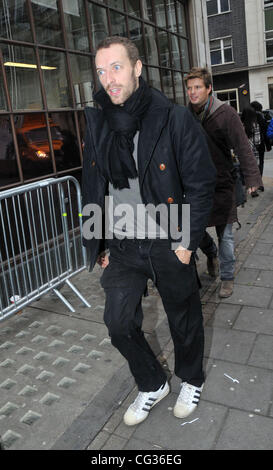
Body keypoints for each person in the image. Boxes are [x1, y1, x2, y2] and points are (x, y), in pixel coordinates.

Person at [82, 36, 217, 426]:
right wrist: (99, 239)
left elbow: (200, 183)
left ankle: (191, 378)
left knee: (183, 317)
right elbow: (95, 185)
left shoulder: (173, 118)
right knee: (118, 323)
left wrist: (188, 243)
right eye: (102, 70)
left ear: (137, 68)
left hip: (168, 238)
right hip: (123, 244)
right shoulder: (99, 122)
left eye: (117, 67)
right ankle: (153, 383)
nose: (109, 78)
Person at [185, 67, 263, 298]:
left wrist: (252, 178)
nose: (193, 92)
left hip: (222, 184)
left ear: (209, 89)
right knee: (194, 232)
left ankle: (227, 277)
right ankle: (211, 253)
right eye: (189, 88)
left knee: (226, 236)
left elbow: (242, 146)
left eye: (197, 87)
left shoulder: (225, 113)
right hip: (195, 187)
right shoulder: (184, 115)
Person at [241, 106, 262, 197]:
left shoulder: (239, 125)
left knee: (243, 171)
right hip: (253, 152)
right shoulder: (255, 125)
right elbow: (258, 141)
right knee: (253, 171)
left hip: (242, 152)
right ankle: (253, 190)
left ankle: (243, 191)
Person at [250, 100, 271, 191]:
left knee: (252, 163)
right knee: (261, 163)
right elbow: (265, 132)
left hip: (250, 144)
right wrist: (268, 145)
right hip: (261, 144)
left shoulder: (248, 117)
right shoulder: (261, 117)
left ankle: (253, 184)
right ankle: (260, 184)